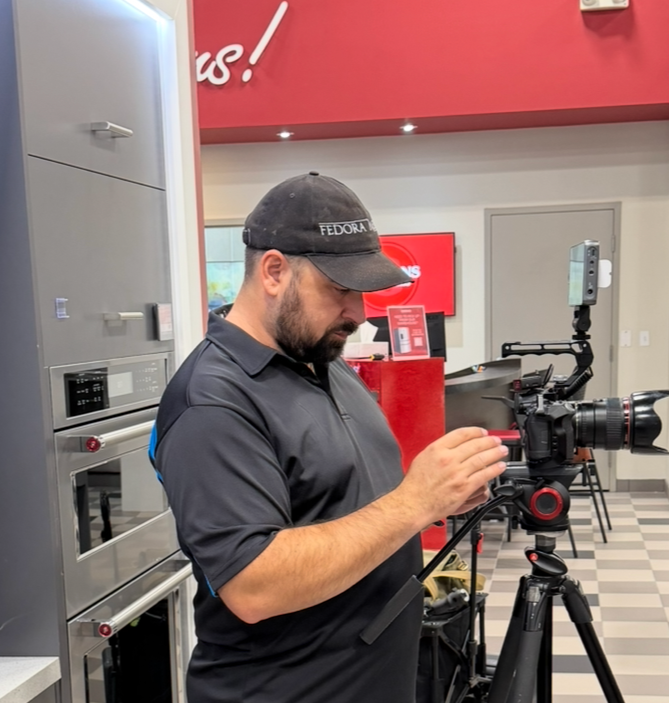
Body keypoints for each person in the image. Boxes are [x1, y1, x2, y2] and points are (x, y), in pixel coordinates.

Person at [153, 172, 508, 703]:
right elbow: (254, 583)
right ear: (274, 271)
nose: (359, 314)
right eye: (339, 289)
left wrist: (446, 492)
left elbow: (347, 497)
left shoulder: (321, 358)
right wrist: (415, 501)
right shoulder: (212, 400)